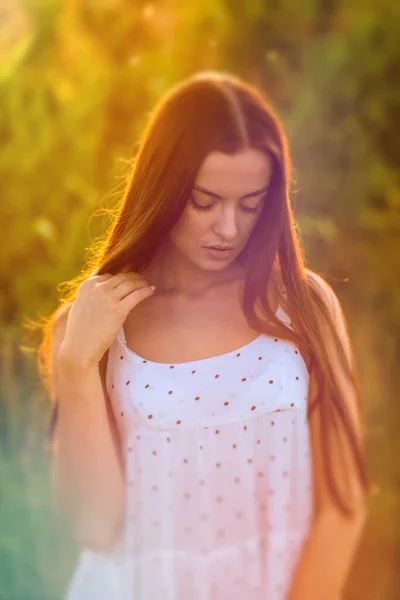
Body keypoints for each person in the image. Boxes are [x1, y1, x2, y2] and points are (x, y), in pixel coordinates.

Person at [40, 70, 369, 600]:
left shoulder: (305, 309)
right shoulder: (93, 326)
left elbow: (343, 503)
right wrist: (76, 367)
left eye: (250, 203)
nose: (229, 228)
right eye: (204, 201)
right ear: (164, 188)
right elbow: (95, 530)